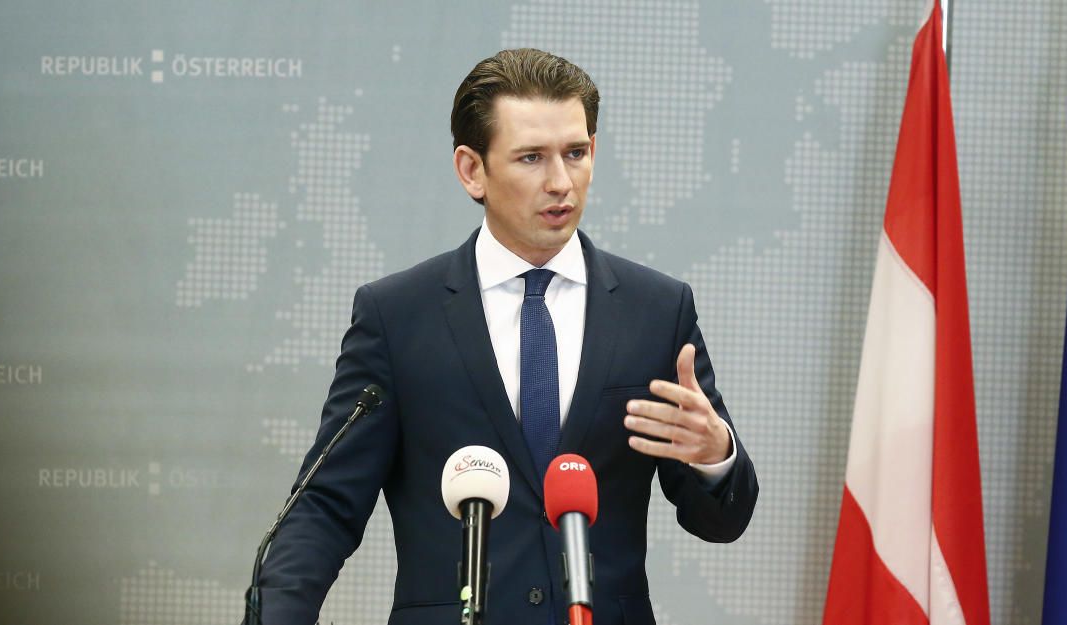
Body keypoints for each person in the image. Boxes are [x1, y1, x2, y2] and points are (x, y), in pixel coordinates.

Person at [257, 48, 758, 625]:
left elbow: (722, 521)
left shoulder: (657, 310)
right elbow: (326, 505)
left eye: (575, 153)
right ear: (472, 170)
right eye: (531, 157)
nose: (560, 182)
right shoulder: (397, 315)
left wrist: (715, 455)